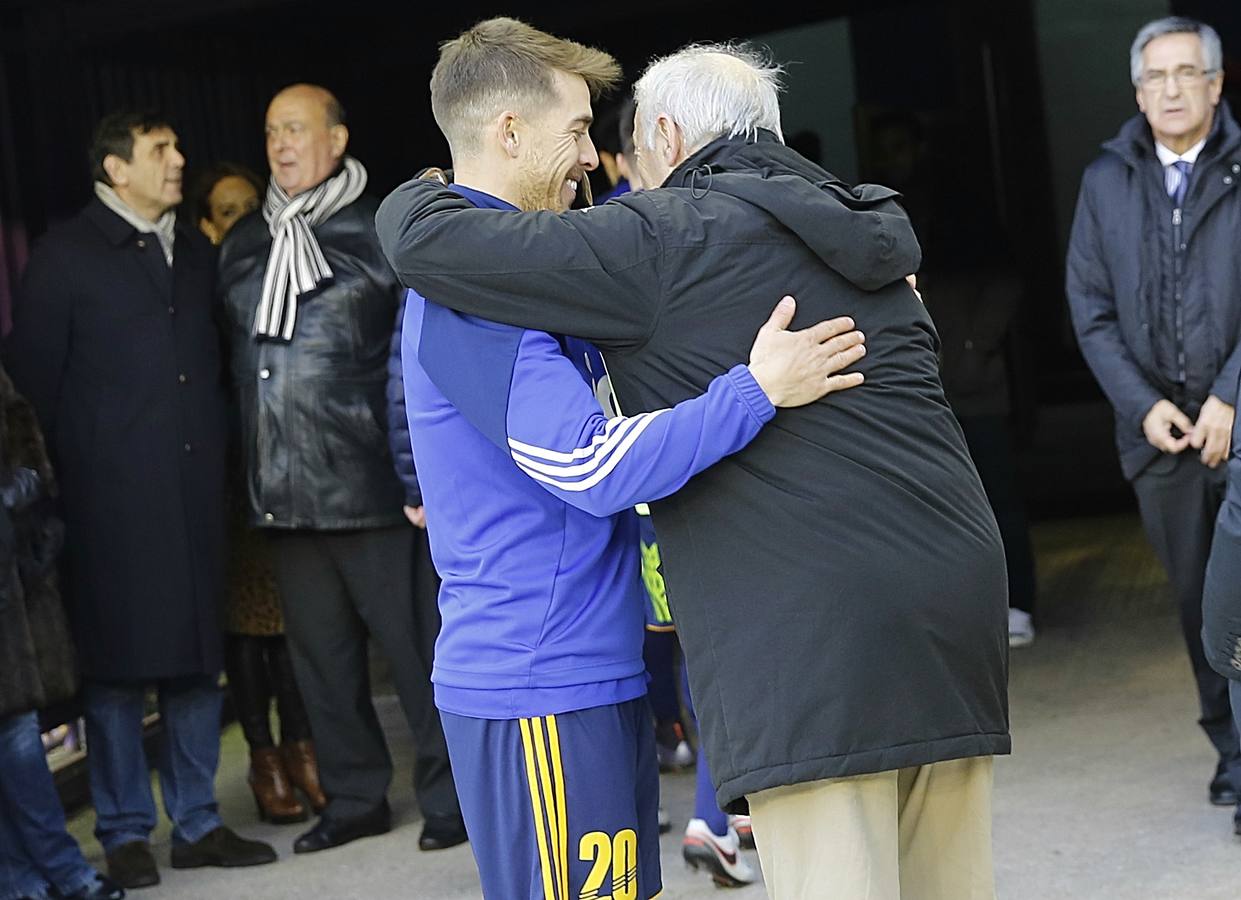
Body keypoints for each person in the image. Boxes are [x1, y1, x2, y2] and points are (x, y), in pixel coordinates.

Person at [378, 34, 1009, 899]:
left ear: (669, 137)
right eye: (578, 131)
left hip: (609, 665)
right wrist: (750, 392)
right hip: (537, 673)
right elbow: (591, 466)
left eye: (615, 137)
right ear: (512, 132)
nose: (598, 162)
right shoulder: (856, 235)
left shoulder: (628, 252)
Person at [5, 109, 277, 890]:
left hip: (193, 499)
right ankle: (125, 830)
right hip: (104, 509)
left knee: (196, 665)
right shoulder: (64, 257)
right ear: (115, 170)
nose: (178, 160)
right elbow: (35, 390)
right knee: (116, 677)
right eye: (160, 150)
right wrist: (52, 503)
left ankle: (196, 823)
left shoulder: (192, 251)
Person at [216, 84, 465, 854]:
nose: (280, 144)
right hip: (282, 498)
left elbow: (415, 359)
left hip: (371, 487)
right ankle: (355, 798)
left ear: (336, 139)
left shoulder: (376, 230)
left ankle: (451, 799)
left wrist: (419, 473)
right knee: (319, 667)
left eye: (295, 129)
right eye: (269, 131)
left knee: (418, 655)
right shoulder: (245, 245)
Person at [1066, 15, 1241, 832]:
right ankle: (1230, 752)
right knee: (1195, 603)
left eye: (1186, 73)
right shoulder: (1107, 179)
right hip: (1160, 439)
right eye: (1155, 77)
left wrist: (1229, 398)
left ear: (1215, 83)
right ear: (1138, 93)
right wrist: (1146, 408)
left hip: (1237, 422)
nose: (1171, 89)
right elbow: (1089, 309)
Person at [191, 162, 325, 825]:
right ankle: (266, 760)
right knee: (246, 632)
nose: (241, 220)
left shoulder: (272, 276)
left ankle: (305, 752)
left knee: (287, 626)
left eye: (250, 207)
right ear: (205, 226)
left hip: (278, 468)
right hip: (224, 477)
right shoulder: (195, 290)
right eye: (225, 210)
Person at [0, 362, 122, 900]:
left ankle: (48, 873)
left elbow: (23, 434)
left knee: (18, 733)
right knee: (16, 736)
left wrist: (23, 500)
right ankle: (36, 876)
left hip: (12, 582)